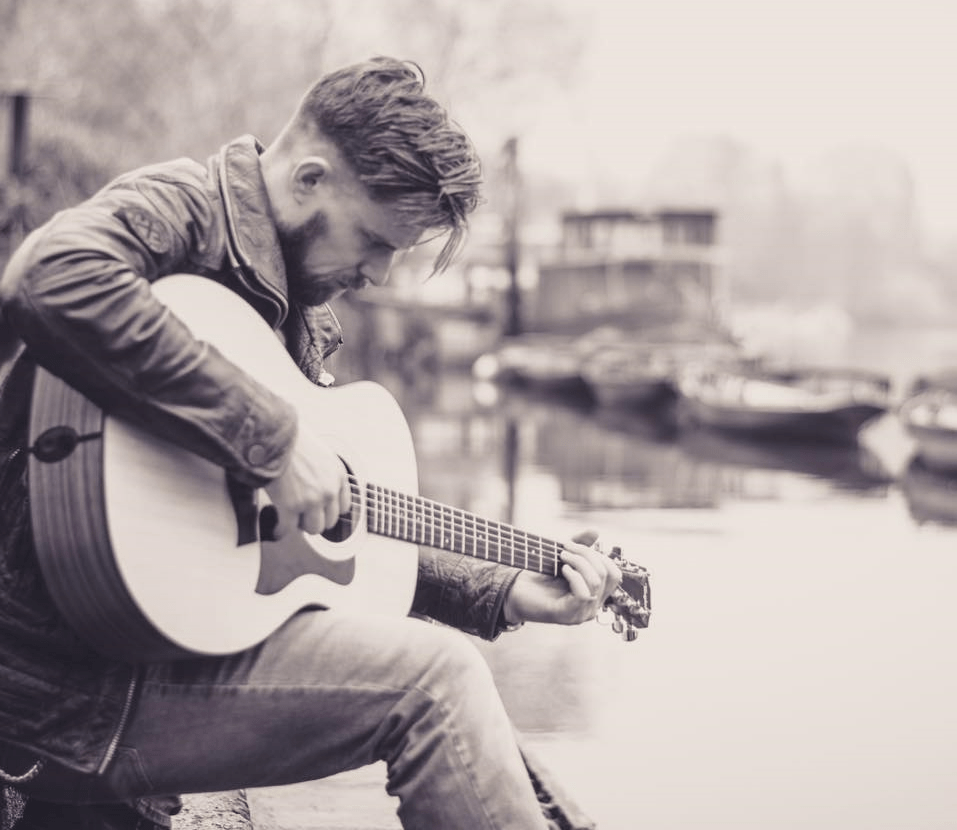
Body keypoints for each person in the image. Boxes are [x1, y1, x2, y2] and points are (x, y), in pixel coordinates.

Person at [0, 57, 621, 830]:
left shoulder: (297, 309)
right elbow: (51, 277)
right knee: (436, 680)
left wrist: (502, 588)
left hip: (151, 662)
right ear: (308, 179)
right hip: (64, 687)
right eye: (373, 240)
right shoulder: (182, 208)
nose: (381, 274)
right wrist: (273, 439)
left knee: (432, 667)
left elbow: (319, 528)